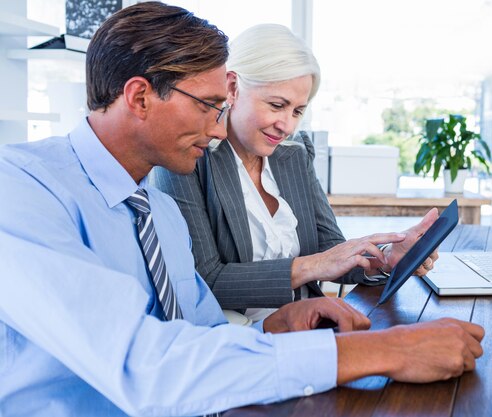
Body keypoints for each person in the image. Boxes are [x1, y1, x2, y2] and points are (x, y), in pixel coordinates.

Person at [0, 3, 484, 416]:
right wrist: (384, 349)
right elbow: (142, 364)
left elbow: (201, 334)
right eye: (210, 106)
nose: (217, 130)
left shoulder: (159, 214)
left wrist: (276, 326)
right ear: (140, 96)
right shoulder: (21, 190)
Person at [152, 24, 439, 322]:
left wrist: (385, 258)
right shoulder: (187, 156)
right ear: (233, 88)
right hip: (236, 337)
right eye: (277, 105)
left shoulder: (294, 152)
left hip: (309, 325)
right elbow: (204, 280)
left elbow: (331, 249)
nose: (286, 125)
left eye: (297, 111)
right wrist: (311, 266)